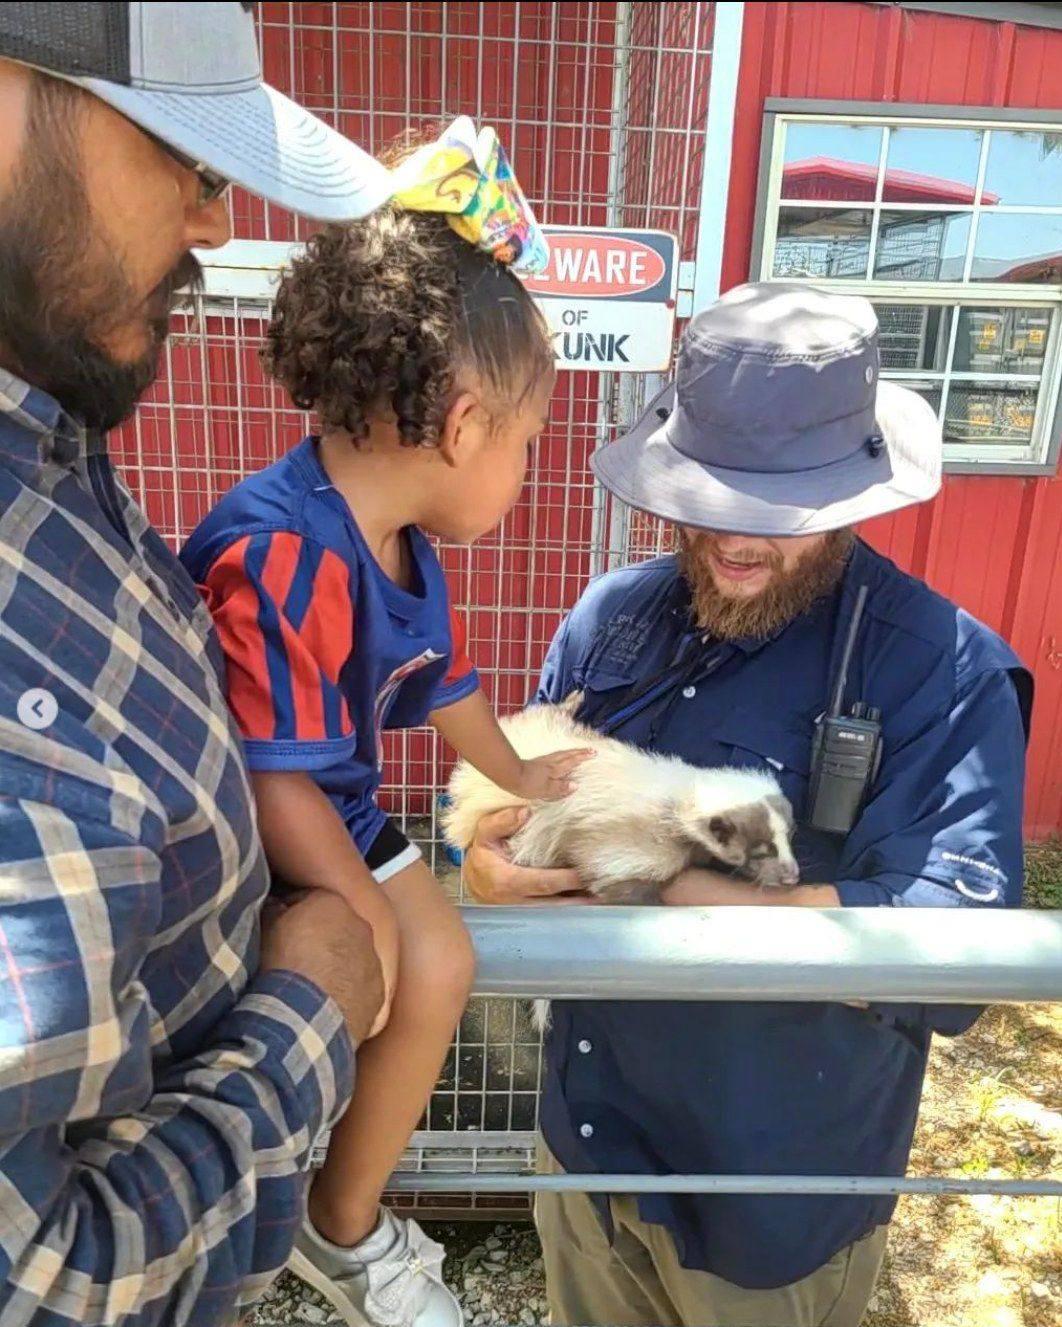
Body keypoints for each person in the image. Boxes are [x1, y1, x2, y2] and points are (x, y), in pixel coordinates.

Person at [462, 282, 1033, 1327]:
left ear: (852, 494)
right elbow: (511, 819)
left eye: (778, 512)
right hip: (589, 1136)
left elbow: (957, 958)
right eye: (712, 499)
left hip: (770, 1188)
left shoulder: (940, 673)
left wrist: (668, 888)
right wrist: (488, 871)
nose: (736, 540)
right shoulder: (611, 623)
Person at [0, 4, 403, 1323]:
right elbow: (46, 1282)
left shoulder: (58, 435)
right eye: (191, 158)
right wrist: (315, 998)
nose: (217, 222)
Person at [180, 125, 582, 1327]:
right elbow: (268, 776)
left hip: (331, 800)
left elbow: (440, 678)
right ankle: (253, 1199)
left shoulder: (398, 540)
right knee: (382, 957)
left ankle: (339, 1223)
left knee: (443, 960)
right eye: (526, 444)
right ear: (462, 426)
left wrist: (520, 768)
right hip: (253, 823)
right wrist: (361, 912)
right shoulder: (285, 550)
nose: (521, 473)